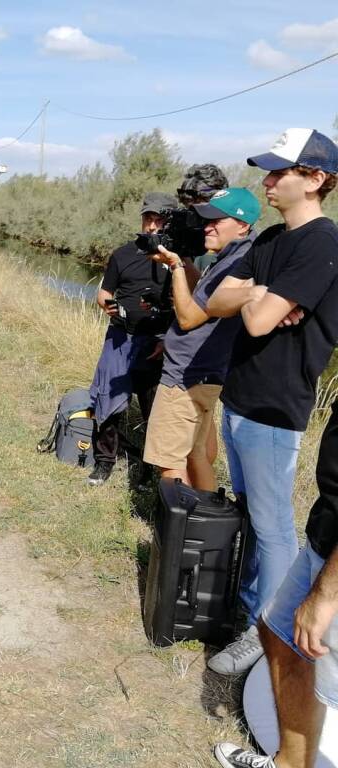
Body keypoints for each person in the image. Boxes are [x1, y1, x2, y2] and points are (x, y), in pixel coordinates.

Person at [205, 128, 338, 676]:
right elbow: (214, 298)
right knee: (255, 518)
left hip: (275, 407)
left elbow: (255, 320)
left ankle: (267, 632)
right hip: (239, 396)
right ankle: (251, 613)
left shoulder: (321, 244)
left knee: (273, 525)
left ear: (315, 179)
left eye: (278, 172)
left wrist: (254, 298)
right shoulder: (270, 241)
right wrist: (258, 293)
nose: (266, 181)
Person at [214, 399, 338, 768]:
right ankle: (290, 763)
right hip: (326, 534)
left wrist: (327, 594)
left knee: (329, 682)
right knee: (278, 633)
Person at [143, 188, 261, 490]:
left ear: (242, 225)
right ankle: (205, 524)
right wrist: (184, 261)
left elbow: (188, 317)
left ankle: (175, 532)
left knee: (170, 461)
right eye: (207, 220)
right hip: (205, 372)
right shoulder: (236, 255)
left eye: (216, 221)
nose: (207, 227)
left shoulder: (237, 263)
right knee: (196, 455)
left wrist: (176, 267)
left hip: (186, 375)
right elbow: (202, 299)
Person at [87, 192, 178, 487]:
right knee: (109, 403)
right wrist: (108, 306)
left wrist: (168, 338)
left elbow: (186, 305)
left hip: (157, 344)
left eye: (158, 220)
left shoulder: (179, 261)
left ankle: (148, 473)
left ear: (169, 223)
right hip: (120, 338)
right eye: (147, 219)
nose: (151, 226)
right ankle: (104, 463)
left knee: (156, 413)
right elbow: (103, 293)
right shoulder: (122, 254)